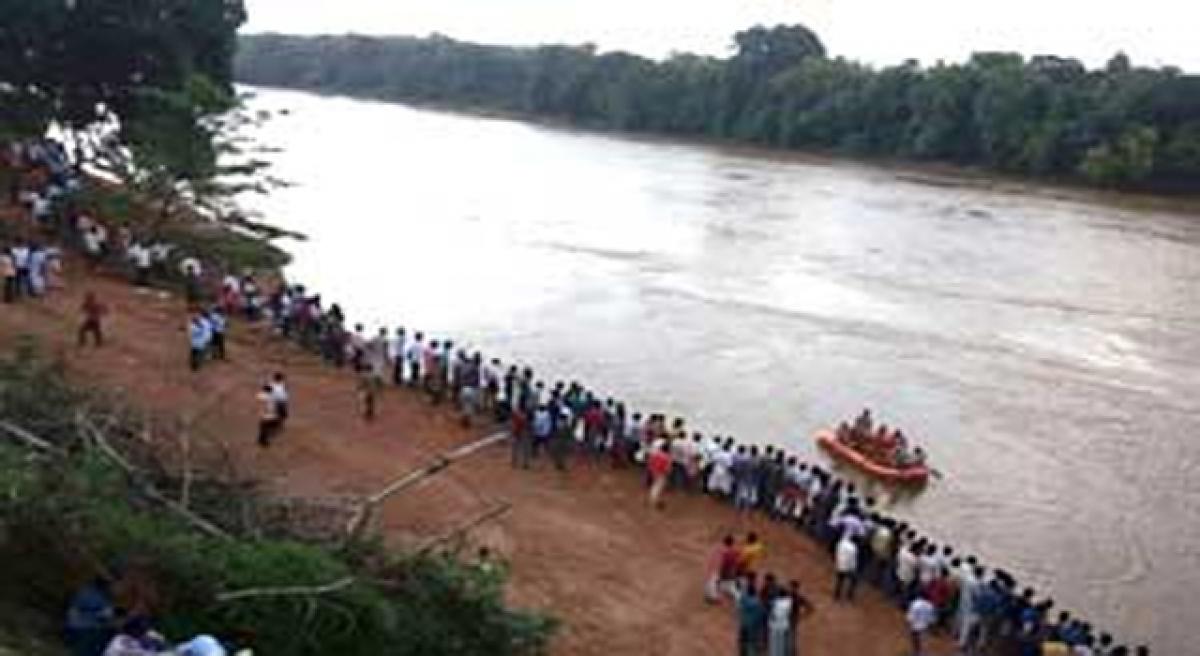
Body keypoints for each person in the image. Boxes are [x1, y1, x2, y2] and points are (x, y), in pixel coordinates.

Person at [65, 575, 115, 656]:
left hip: (89, 627)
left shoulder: (103, 597)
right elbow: (73, 610)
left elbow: (107, 615)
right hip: (87, 628)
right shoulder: (88, 594)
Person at [101, 616, 169, 656]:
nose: (144, 631)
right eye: (141, 628)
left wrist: (159, 641)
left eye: (145, 628)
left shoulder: (151, 635)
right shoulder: (121, 639)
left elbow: (166, 647)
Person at [705, 534, 739, 603]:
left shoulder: (719, 549)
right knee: (727, 585)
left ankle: (712, 596)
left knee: (714, 583)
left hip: (718, 571)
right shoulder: (731, 552)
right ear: (731, 543)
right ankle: (714, 597)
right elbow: (733, 562)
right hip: (724, 571)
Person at [736, 580, 766, 656]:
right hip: (754, 628)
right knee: (753, 646)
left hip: (745, 625)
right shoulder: (759, 604)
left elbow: (741, 599)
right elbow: (763, 615)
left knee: (743, 646)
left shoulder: (744, 600)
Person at [907, 592, 937, 656]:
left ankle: (916, 653)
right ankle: (921, 653)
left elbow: (910, 617)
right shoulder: (930, 605)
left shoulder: (915, 604)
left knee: (915, 641)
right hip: (925, 627)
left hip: (915, 626)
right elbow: (931, 619)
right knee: (923, 642)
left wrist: (909, 625)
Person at [833, 536, 859, 602]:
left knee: (840, 580)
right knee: (854, 580)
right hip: (848, 567)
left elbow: (837, 551)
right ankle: (849, 595)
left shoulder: (842, 543)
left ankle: (836, 594)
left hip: (840, 563)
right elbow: (853, 560)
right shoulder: (854, 548)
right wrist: (853, 568)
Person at [647, 442, 672, 509]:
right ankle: (655, 500)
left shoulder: (656, 454)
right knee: (659, 486)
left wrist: (651, 469)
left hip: (654, 471)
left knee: (656, 485)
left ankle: (654, 499)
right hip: (661, 473)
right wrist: (667, 473)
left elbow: (650, 462)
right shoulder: (667, 457)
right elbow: (668, 468)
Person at [256, 384, 280, 448]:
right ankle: (263, 440)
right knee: (266, 429)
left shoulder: (262, 396)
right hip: (270, 415)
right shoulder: (272, 397)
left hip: (266, 415)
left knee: (263, 428)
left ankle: (261, 440)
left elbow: (260, 399)